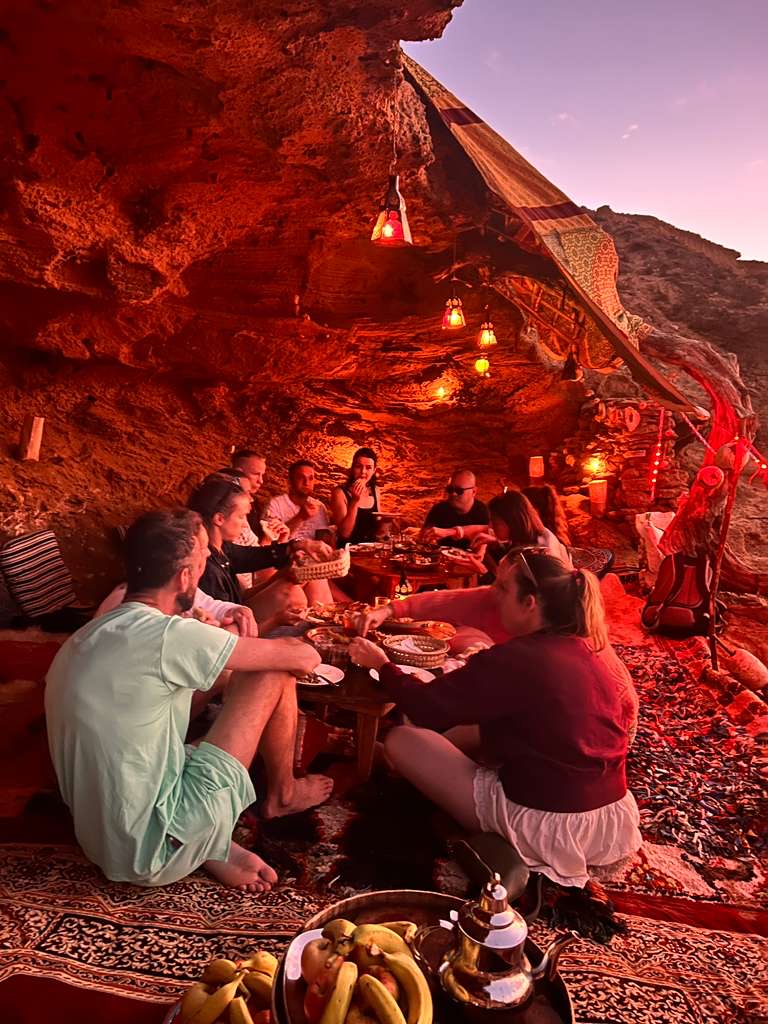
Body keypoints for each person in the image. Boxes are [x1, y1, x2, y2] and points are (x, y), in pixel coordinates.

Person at [45, 508, 332, 891]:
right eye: (202, 561)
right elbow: (302, 658)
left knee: (205, 690)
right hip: (152, 851)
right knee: (271, 670)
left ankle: (209, 845)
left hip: (101, 838)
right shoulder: (169, 635)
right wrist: (281, 647)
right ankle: (283, 794)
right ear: (184, 577)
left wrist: (220, 645)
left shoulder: (92, 633)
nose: (205, 568)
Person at [349, 550, 641, 888]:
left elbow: (426, 707)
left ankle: (502, 838)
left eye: (503, 589)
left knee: (402, 739)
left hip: (546, 823)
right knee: (472, 729)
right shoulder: (590, 647)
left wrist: (381, 664)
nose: (494, 595)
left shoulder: (518, 658)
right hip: (608, 818)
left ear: (530, 603)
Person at [188, 476, 330, 627]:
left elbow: (257, 556)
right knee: (289, 593)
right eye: (241, 517)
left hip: (242, 611)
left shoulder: (222, 548)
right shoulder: (207, 567)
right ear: (219, 519)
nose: (245, 525)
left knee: (310, 575)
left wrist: (298, 547)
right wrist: (275, 621)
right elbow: (223, 628)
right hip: (237, 626)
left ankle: (327, 628)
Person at [444, 490, 572, 577]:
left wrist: (483, 571)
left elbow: (518, 597)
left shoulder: (539, 553)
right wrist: (497, 543)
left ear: (513, 522)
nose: (491, 527)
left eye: (496, 523)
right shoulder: (538, 534)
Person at [421, 470, 489, 549]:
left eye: (459, 490)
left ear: (473, 491)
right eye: (450, 489)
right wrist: (428, 539)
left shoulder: (483, 512)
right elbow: (423, 537)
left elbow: (483, 545)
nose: (453, 494)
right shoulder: (439, 509)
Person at [266, 461, 331, 542]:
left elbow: (323, 538)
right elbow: (272, 538)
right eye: (301, 477)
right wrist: (300, 517)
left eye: (311, 478)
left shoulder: (319, 506)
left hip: (313, 549)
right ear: (290, 480)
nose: (306, 482)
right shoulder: (275, 504)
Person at [329, 447, 382, 545]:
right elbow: (344, 534)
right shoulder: (339, 493)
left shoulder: (375, 490)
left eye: (368, 468)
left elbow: (378, 528)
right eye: (358, 466)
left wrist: (388, 522)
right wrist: (354, 501)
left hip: (371, 549)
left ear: (374, 470)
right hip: (348, 549)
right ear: (352, 468)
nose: (363, 472)